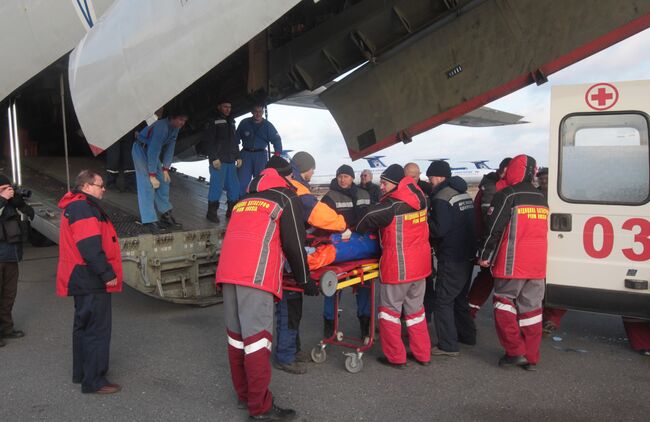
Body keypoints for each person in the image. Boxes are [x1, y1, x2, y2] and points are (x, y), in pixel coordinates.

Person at [216, 161, 318, 421]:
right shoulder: (285, 197)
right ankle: (260, 407)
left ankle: (245, 396)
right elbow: (295, 244)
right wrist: (305, 279)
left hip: (228, 273)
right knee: (257, 341)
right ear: (288, 177)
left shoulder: (244, 199)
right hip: (255, 276)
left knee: (237, 339)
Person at [273, 152, 346, 375]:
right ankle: (285, 356)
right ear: (305, 169)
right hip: (287, 255)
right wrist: (342, 224)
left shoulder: (285, 183)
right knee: (288, 307)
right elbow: (317, 214)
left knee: (293, 306)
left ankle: (292, 350)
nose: (313, 173)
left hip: (285, 251)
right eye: (312, 169)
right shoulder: (299, 188)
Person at [356, 164, 432, 368]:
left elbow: (364, 219)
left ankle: (396, 357)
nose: (381, 186)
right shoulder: (421, 198)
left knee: (389, 313)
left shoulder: (391, 205)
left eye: (384, 183)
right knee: (416, 312)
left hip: (398, 268)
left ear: (396, 184)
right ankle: (423, 354)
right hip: (420, 268)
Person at [478, 155, 548, 371]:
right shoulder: (541, 197)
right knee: (532, 310)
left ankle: (515, 352)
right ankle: (531, 355)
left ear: (514, 171)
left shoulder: (507, 195)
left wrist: (485, 255)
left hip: (512, 262)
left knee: (503, 303)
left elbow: (494, 229)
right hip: (537, 265)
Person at [56, 170, 123, 394]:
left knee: (83, 327)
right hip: (90, 278)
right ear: (86, 186)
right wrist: (107, 273)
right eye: (99, 185)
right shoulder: (84, 207)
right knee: (96, 329)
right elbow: (90, 247)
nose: (103, 189)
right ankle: (94, 381)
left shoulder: (77, 205)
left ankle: (82, 373)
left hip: (81, 277)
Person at [426, 160, 477, 357]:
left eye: (430, 178)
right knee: (459, 298)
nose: (429, 182)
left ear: (438, 177)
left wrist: (424, 221)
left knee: (443, 300)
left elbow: (439, 229)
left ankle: (447, 345)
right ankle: (467, 335)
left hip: (451, 255)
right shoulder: (462, 194)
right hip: (467, 253)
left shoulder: (441, 197)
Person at [321, 164, 372, 338]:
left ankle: (365, 325)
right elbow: (322, 222)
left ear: (352, 178)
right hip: (339, 247)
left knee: (365, 284)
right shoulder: (329, 197)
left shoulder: (364, 194)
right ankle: (330, 325)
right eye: (340, 176)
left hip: (361, 247)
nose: (343, 179)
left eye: (346, 176)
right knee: (333, 286)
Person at [467, 157, 511, 318]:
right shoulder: (495, 187)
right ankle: (470, 311)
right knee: (490, 277)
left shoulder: (489, 185)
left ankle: (469, 310)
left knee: (486, 278)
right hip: (495, 241)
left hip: (489, 239)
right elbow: (491, 220)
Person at [132, 111, 188, 234]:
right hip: (141, 150)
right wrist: (152, 175)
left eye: (184, 121)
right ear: (172, 118)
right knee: (147, 184)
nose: (182, 123)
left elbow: (170, 147)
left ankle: (165, 214)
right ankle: (149, 220)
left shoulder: (175, 128)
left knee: (164, 180)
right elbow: (153, 150)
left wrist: (165, 168)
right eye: (180, 119)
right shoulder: (161, 127)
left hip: (152, 152)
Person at [0, 175, 34, 347]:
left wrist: (18, 200)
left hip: (11, 255)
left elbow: (27, 213)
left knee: (8, 295)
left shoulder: (10, 202)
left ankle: (6, 328)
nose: (8, 191)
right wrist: (2, 199)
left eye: (8, 187)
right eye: (3, 188)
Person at [202, 100, 242, 223]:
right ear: (219, 107)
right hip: (219, 161)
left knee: (234, 187)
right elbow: (208, 141)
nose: (227, 109)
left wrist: (238, 156)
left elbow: (234, 141)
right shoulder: (212, 120)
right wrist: (214, 158)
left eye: (229, 107)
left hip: (230, 160)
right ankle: (211, 212)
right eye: (225, 107)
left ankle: (231, 211)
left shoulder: (231, 121)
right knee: (216, 187)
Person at [236, 104, 282, 196]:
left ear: (262, 112)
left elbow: (276, 140)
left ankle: (258, 201)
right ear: (252, 112)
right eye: (256, 111)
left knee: (260, 181)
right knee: (242, 181)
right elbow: (235, 139)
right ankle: (240, 201)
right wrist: (236, 156)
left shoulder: (268, 126)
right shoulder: (244, 123)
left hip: (260, 156)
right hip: (245, 155)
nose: (258, 114)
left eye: (260, 112)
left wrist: (277, 156)